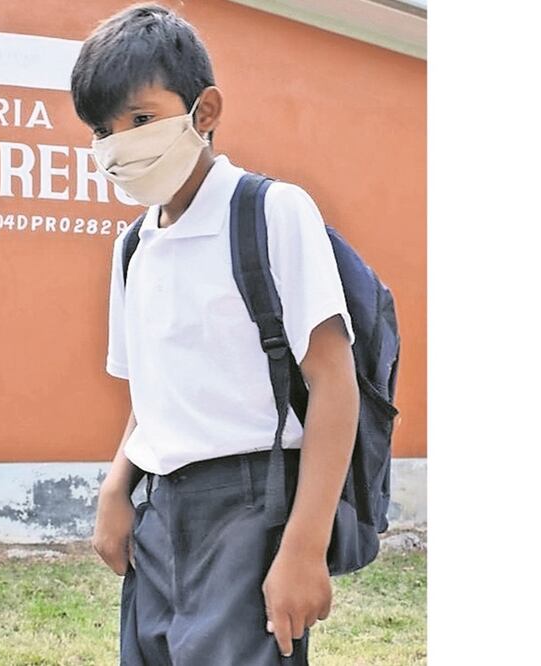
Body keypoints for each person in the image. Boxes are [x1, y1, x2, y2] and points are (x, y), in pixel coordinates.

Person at [71, 4, 361, 664]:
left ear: (203, 112)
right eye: (101, 129)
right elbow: (152, 395)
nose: (119, 143)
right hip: (159, 510)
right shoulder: (132, 248)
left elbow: (331, 380)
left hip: (250, 505)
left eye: (140, 120)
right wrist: (117, 488)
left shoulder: (268, 213)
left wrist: (302, 548)